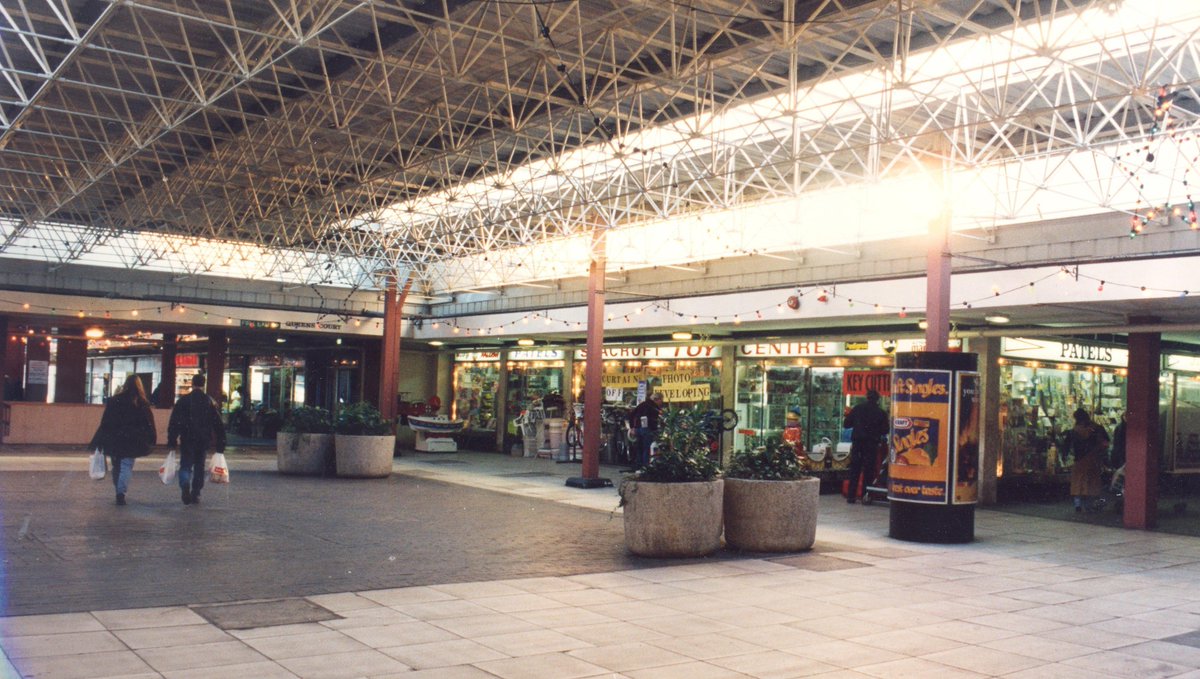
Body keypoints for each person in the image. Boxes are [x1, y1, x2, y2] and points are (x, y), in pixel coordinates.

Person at [89, 375, 157, 505]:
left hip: (115, 438)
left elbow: (106, 421)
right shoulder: (141, 402)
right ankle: (121, 492)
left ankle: (118, 488)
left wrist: (101, 438)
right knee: (126, 466)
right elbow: (148, 423)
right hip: (133, 440)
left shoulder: (115, 400)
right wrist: (150, 438)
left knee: (116, 465)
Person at [167, 374, 226, 506]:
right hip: (203, 439)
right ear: (203, 384)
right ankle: (196, 493)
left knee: (185, 465)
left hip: (187, 438)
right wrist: (221, 442)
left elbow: (174, 422)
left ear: (192, 384)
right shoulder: (209, 401)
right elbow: (218, 424)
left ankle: (185, 485)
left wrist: (171, 439)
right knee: (199, 466)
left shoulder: (183, 401)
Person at [843, 389, 889, 503]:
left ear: (866, 397)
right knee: (869, 470)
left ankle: (851, 496)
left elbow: (846, 424)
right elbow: (885, 430)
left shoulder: (857, 408)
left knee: (855, 469)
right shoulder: (881, 413)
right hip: (871, 444)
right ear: (878, 399)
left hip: (858, 443)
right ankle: (865, 495)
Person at [1061, 408, 1110, 512]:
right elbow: (1106, 442)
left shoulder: (1073, 431)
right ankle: (1090, 504)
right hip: (1094, 459)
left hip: (1079, 460)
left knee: (1078, 482)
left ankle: (1077, 504)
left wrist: (1065, 457)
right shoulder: (1097, 428)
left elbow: (1066, 446)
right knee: (1092, 482)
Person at [628, 392, 664, 469]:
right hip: (646, 429)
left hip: (638, 429)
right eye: (661, 400)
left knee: (640, 447)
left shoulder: (642, 404)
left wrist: (632, 427)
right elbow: (653, 419)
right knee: (646, 448)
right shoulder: (653, 407)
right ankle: (645, 466)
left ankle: (638, 465)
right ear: (656, 399)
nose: (662, 402)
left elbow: (632, 414)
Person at [1108, 411, 1127, 493]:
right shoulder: (1121, 428)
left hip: (1121, 454)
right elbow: (1118, 443)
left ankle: (1121, 492)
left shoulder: (1120, 427)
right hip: (1121, 454)